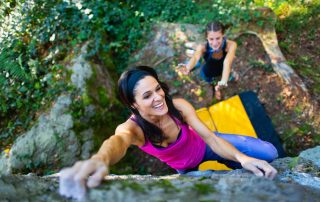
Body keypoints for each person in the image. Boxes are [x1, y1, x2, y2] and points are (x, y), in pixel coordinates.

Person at [59, 66, 277, 199]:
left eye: (157, 89)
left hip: (206, 148)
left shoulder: (178, 106)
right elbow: (117, 141)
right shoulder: (133, 128)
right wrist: (100, 159)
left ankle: (233, 162)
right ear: (134, 105)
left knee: (269, 153)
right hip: (185, 169)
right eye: (147, 96)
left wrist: (243, 158)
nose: (158, 97)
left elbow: (210, 137)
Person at [177, 21, 239, 100]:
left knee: (227, 77)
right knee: (211, 82)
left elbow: (227, 62)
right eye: (211, 39)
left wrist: (223, 80)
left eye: (218, 38)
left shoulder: (231, 45)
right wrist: (188, 67)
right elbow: (195, 57)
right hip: (209, 71)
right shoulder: (203, 47)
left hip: (224, 70)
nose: (215, 43)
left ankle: (222, 84)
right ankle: (214, 88)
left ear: (223, 35)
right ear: (207, 38)